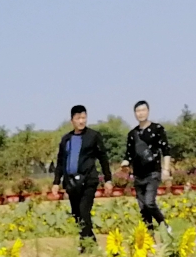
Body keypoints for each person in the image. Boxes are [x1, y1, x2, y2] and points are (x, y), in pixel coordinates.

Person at [52, 104, 110, 245]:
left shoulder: (93, 136)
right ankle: (91, 243)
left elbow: (103, 158)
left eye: (84, 118)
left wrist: (108, 179)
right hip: (72, 183)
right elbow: (60, 162)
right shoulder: (66, 139)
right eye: (78, 118)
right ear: (72, 120)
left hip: (88, 180)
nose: (81, 121)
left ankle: (85, 245)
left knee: (84, 211)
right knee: (77, 215)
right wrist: (56, 182)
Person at [124, 100, 171, 229]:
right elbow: (129, 154)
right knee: (143, 207)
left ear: (148, 111)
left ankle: (164, 226)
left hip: (153, 172)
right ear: (134, 113)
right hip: (138, 175)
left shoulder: (157, 129)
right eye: (138, 111)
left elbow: (166, 150)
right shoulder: (132, 134)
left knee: (150, 202)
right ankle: (150, 237)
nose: (140, 113)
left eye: (143, 110)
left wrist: (166, 169)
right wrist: (125, 163)